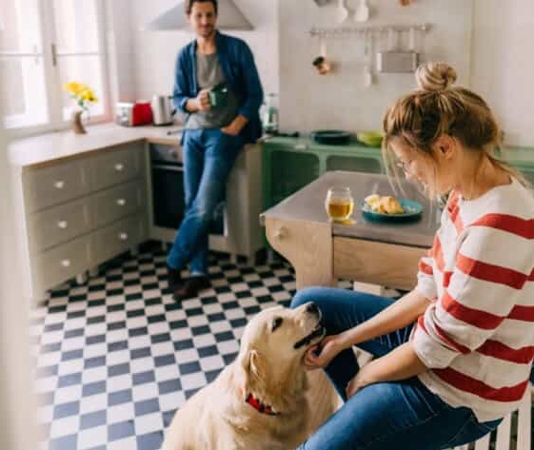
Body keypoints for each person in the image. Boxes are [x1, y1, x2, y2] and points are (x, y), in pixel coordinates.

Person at [291, 62, 534, 450]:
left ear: (444, 147)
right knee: (311, 310)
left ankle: (362, 423)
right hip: (438, 348)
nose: (408, 174)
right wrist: (344, 341)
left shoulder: (498, 227)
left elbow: (432, 348)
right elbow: (428, 291)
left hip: (460, 394)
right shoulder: (465, 193)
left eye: (409, 162)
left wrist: (367, 378)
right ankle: (366, 426)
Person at [167, 0, 263, 301]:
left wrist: (237, 124)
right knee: (192, 203)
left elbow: (254, 93)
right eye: (199, 15)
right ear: (189, 19)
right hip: (193, 134)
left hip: (223, 135)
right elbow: (178, 98)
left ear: (216, 16)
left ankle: (173, 262)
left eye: (209, 14)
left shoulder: (236, 48)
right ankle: (199, 272)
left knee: (205, 205)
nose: (205, 20)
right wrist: (195, 103)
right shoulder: (185, 55)